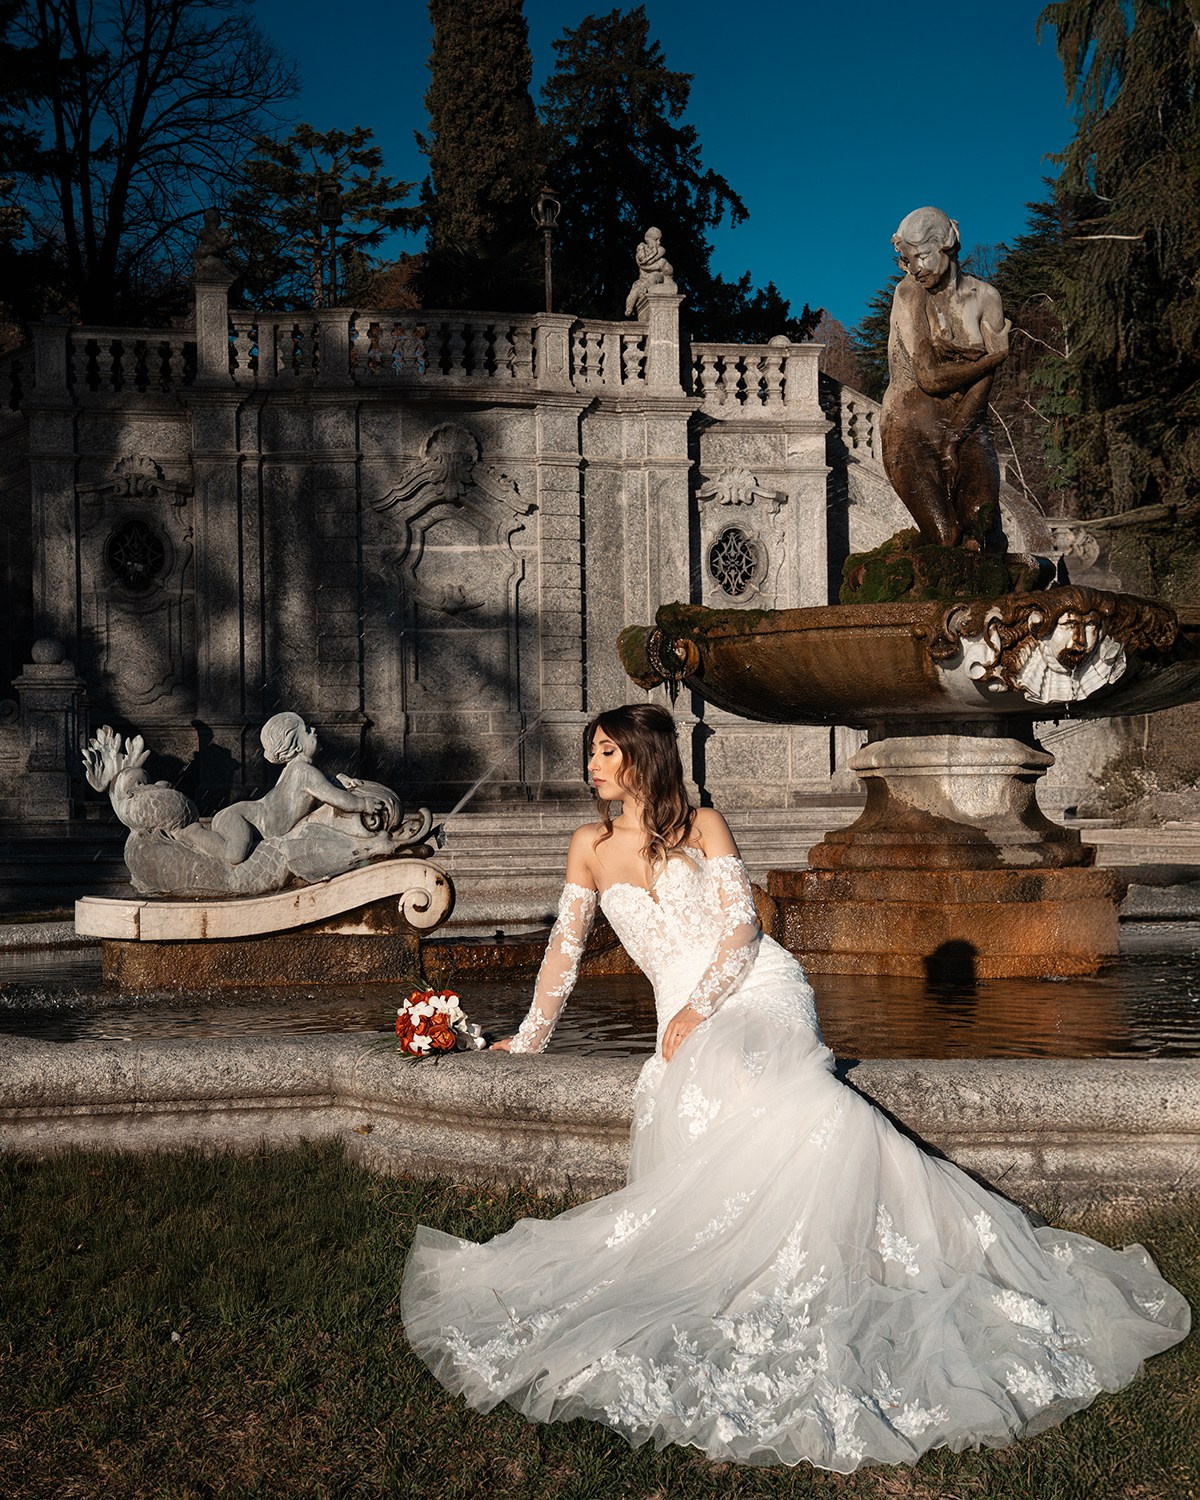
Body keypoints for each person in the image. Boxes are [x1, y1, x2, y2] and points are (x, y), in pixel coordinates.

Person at [401, 704, 1188, 1472]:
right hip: (684, 1010)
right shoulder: (588, 845)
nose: (592, 765)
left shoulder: (703, 827)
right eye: (593, 751)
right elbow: (563, 953)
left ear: (645, 757)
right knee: (716, 1081)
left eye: (607, 750)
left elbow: (742, 931)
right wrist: (529, 1039)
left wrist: (700, 1009)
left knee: (778, 1083)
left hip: (755, 988)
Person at [881, 206, 1011, 551]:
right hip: (910, 426)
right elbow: (930, 379)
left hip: (966, 423)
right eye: (907, 260)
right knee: (945, 535)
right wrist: (993, 358)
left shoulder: (987, 298)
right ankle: (901, 557)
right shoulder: (909, 294)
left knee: (981, 528)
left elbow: (983, 385)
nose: (915, 269)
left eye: (922, 257)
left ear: (947, 246)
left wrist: (955, 438)